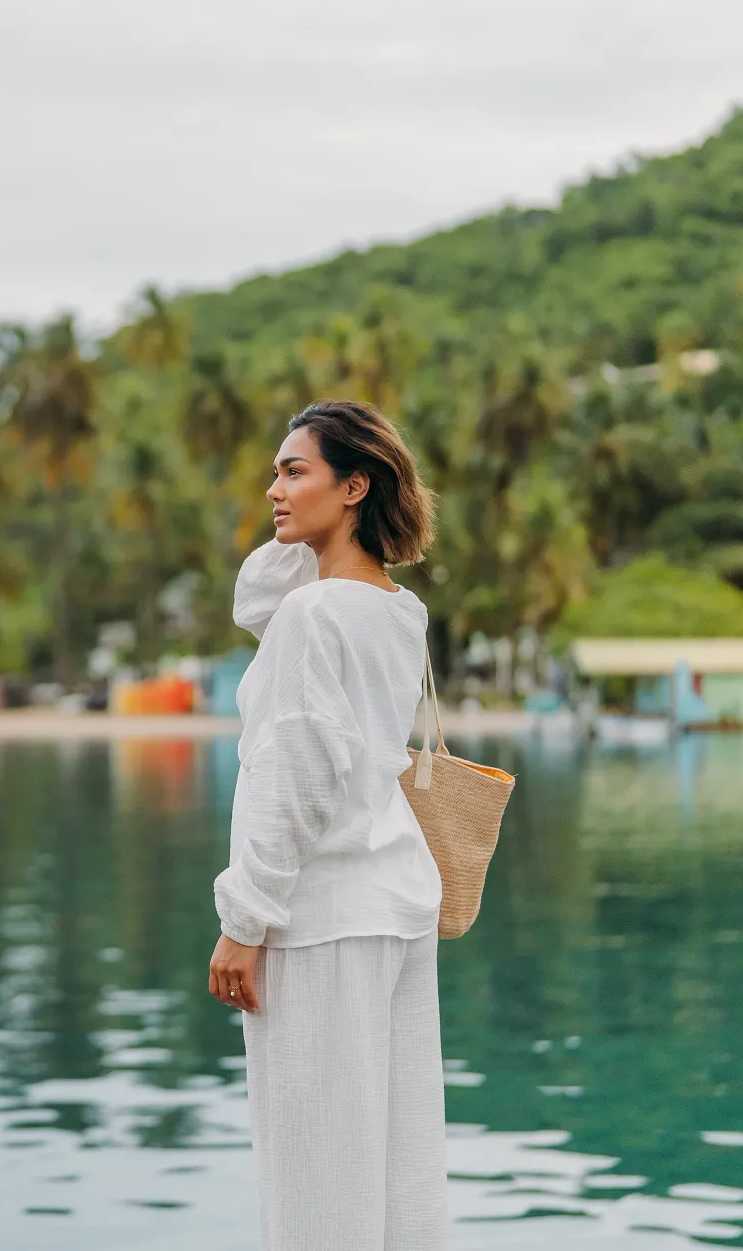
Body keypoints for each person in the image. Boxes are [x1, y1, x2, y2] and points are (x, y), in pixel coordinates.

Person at [208, 400, 445, 1251]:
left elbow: (298, 776)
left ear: (355, 485)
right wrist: (311, 521)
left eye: (293, 470)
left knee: (315, 1182)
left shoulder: (315, 617)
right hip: (396, 906)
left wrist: (244, 921)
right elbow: (255, 599)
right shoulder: (394, 609)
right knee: (396, 1168)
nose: (272, 488)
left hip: (321, 920)